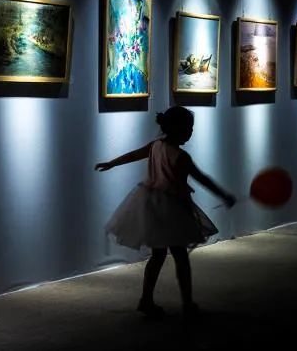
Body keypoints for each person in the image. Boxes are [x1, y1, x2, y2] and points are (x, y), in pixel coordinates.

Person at [95, 106, 236, 318]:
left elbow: (133, 155)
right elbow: (202, 179)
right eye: (189, 128)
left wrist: (111, 163)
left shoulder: (156, 146)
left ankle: (146, 300)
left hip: (150, 206)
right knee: (180, 257)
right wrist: (224, 196)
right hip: (171, 209)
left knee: (158, 256)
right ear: (178, 129)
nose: (191, 132)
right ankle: (187, 303)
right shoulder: (181, 156)